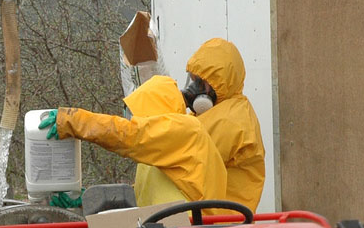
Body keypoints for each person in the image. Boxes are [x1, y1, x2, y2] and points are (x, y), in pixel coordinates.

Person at [40, 74, 226, 207]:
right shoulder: (161, 151)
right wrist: (89, 198)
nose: (134, 119)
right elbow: (142, 195)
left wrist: (73, 120)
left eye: (139, 112)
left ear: (154, 108)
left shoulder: (187, 130)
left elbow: (130, 134)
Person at [181, 38, 265, 213]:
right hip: (214, 219)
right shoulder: (214, 114)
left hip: (222, 223)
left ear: (221, 82)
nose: (193, 88)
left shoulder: (231, 119)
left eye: (201, 82)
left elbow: (184, 153)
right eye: (193, 80)